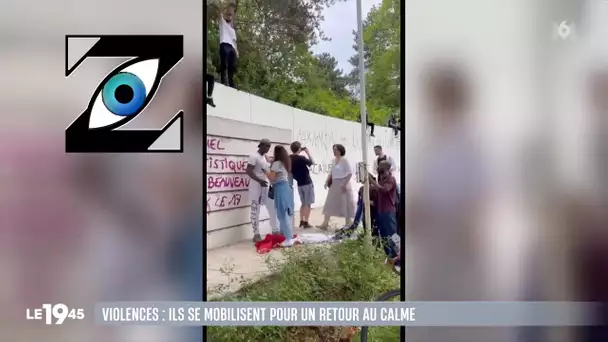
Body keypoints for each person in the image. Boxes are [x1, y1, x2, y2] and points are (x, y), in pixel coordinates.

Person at [246, 139, 279, 242]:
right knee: (256, 209)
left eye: (269, 146)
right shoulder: (253, 156)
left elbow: (267, 167)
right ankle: (256, 234)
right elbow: (248, 171)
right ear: (260, 145)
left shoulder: (264, 156)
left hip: (265, 184)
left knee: (272, 207)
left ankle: (275, 230)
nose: (268, 148)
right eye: (266, 146)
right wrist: (259, 180)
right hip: (256, 185)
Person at [263, 145, 295, 247]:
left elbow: (272, 178)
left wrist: (265, 170)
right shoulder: (285, 162)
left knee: (282, 214)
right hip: (286, 188)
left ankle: (288, 238)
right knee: (287, 213)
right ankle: (287, 236)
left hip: (280, 189)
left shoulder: (276, 164)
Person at [317, 144, 355, 229]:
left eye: (336, 150)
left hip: (343, 183)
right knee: (329, 202)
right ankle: (325, 223)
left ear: (340, 150)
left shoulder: (344, 160)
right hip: (334, 183)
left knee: (345, 203)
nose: (334, 151)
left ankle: (348, 223)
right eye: (333, 150)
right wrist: (327, 181)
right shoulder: (333, 160)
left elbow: (349, 173)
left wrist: (345, 184)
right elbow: (331, 172)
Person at [369, 161, 398, 257]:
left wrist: (372, 181)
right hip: (381, 212)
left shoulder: (391, 180)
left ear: (387, 170)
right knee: (384, 236)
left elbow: (384, 189)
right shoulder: (381, 180)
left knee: (392, 236)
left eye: (382, 171)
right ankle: (389, 256)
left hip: (388, 212)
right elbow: (377, 190)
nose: (380, 173)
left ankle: (397, 257)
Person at [289, 141, 315, 228]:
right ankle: (306, 222)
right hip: (307, 182)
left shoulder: (290, 158)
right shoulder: (301, 158)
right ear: (299, 149)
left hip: (299, 184)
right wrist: (308, 152)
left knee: (303, 203)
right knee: (308, 204)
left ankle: (301, 221)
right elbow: (312, 162)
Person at [218, 2, 238, 88]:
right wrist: (226, 9)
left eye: (230, 16)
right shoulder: (222, 22)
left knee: (231, 66)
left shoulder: (232, 29)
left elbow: (234, 41)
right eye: (228, 15)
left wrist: (237, 50)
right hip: (224, 44)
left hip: (232, 48)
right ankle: (224, 82)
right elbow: (219, 14)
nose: (229, 17)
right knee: (224, 64)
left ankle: (231, 83)